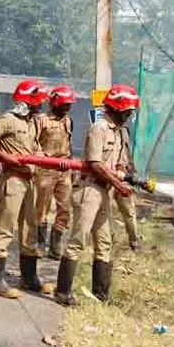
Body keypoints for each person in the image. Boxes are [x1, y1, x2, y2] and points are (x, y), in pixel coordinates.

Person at [55, 85, 139, 306]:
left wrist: (122, 175)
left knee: (104, 242)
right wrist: (118, 184)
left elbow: (120, 162)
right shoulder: (99, 128)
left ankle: (101, 294)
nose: (130, 115)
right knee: (78, 240)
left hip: (106, 191)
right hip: (90, 190)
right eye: (128, 111)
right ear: (118, 108)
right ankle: (62, 292)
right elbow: (95, 163)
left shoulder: (121, 132)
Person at [0, 79, 54, 299]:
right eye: (38, 102)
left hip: (29, 182)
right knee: (5, 227)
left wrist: (46, 159)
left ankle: (29, 277)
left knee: (30, 227)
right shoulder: (8, 120)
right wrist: (6, 158)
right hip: (13, 180)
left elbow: (34, 149)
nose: (41, 106)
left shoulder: (31, 123)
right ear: (28, 101)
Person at [34, 85, 75, 260]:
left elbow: (69, 143)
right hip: (45, 169)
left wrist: (71, 166)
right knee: (42, 208)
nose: (68, 108)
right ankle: (40, 245)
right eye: (65, 104)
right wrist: (41, 158)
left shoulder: (68, 120)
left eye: (69, 105)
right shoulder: (41, 120)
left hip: (64, 170)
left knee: (65, 208)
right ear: (55, 103)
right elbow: (33, 143)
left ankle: (55, 246)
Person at [115, 125, 142, 252]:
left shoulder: (124, 130)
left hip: (123, 176)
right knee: (101, 211)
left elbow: (127, 153)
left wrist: (133, 172)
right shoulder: (101, 128)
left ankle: (134, 241)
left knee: (129, 211)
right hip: (107, 176)